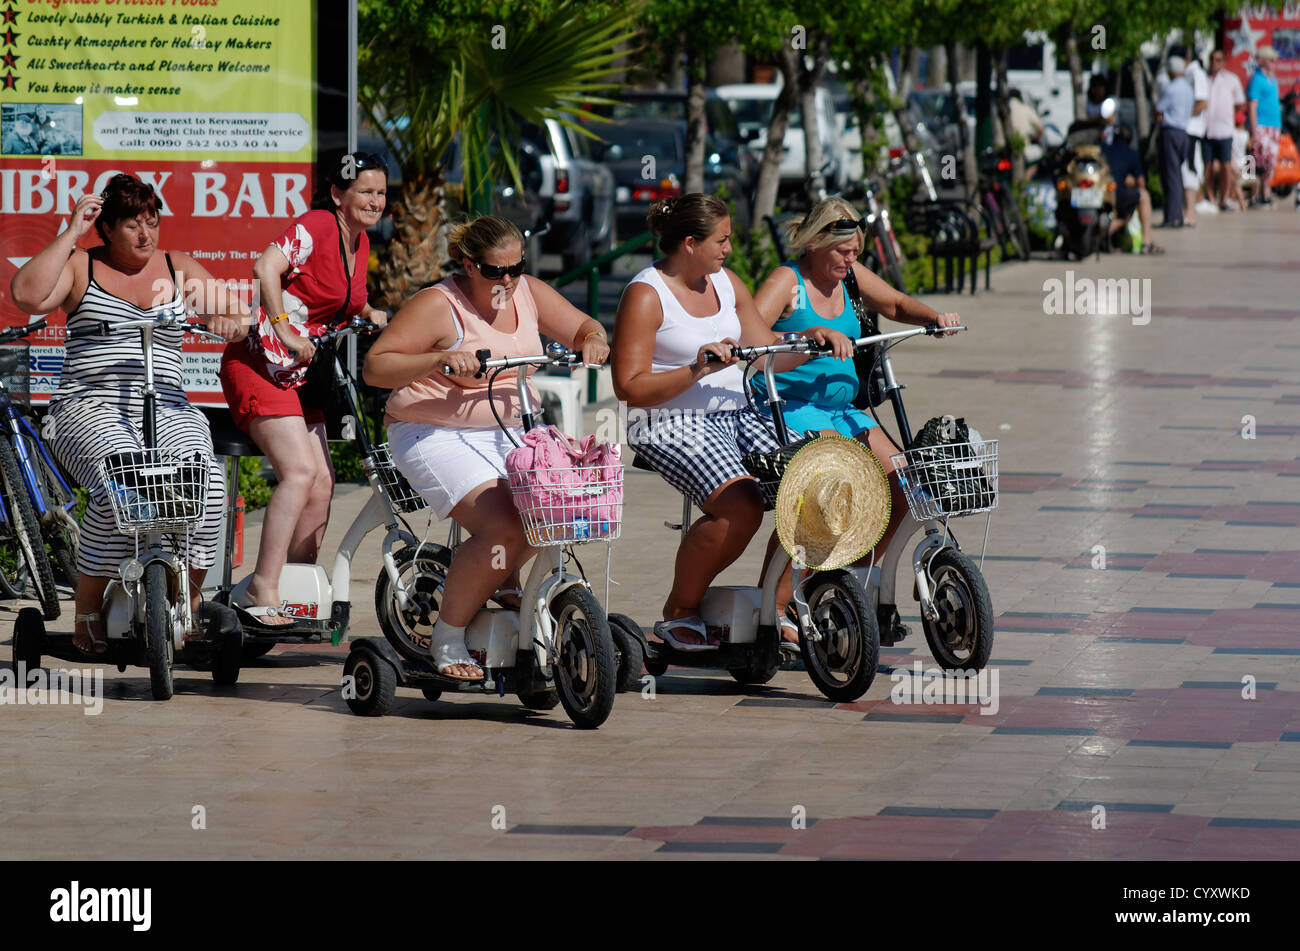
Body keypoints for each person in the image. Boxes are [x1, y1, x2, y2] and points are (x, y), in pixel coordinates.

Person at [9, 174, 248, 656]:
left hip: (167, 403)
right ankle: (87, 605)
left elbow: (237, 315)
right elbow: (26, 296)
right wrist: (72, 231)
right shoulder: (81, 266)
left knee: (209, 485)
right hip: (88, 406)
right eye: (133, 225)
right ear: (108, 228)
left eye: (152, 222)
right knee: (120, 482)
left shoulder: (176, 268)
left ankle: (187, 598)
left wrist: (227, 320)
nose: (146, 234)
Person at [363, 215, 610, 681]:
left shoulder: (529, 292)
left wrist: (594, 340)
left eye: (517, 266)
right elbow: (375, 368)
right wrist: (437, 358)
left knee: (552, 510)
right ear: (468, 264)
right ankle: (449, 634)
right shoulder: (439, 305)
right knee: (505, 524)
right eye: (496, 271)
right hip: (434, 431)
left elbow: (584, 327)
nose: (509, 280)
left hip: (511, 426)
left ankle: (494, 583)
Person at [611, 193, 853, 651]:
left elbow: (766, 354)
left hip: (739, 412)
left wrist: (808, 339)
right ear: (688, 243)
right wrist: (696, 368)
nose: (728, 249)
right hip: (670, 419)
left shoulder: (726, 283)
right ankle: (680, 611)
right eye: (721, 240)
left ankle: (775, 607)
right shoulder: (647, 294)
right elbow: (629, 387)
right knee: (742, 504)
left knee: (825, 485)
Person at [750, 198, 961, 642]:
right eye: (843, 251)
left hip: (843, 410)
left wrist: (933, 318)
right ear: (816, 243)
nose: (851, 260)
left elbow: (898, 304)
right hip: (790, 406)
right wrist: (808, 334)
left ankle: (850, 585)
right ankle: (777, 601)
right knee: (828, 490)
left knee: (906, 484)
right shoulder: (788, 280)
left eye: (856, 253)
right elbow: (751, 337)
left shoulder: (849, 278)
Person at [218, 152, 390, 627]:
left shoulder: (360, 242)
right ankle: (261, 588)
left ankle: (295, 587)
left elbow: (332, 297)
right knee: (297, 473)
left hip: (300, 373)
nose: (374, 201)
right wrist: (283, 328)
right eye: (364, 193)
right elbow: (265, 267)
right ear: (339, 195)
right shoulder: (317, 223)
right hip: (260, 364)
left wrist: (369, 311)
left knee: (321, 485)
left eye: (380, 192)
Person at [1104, 123, 1163, 254]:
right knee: (1143, 196)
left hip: (1102, 193)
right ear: (1131, 140)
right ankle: (1147, 242)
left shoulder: (1105, 149)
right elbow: (1141, 183)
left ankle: (1101, 237)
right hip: (1117, 195)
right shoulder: (1131, 153)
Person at [1155, 56, 1194, 227]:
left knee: (1170, 176)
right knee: (1177, 175)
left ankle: (1172, 217)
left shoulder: (1171, 89)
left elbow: (1158, 109)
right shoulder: (1187, 88)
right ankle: (1177, 214)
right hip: (1184, 133)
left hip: (1170, 133)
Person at [1204, 48, 1246, 211]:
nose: (1215, 63)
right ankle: (1211, 198)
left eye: (1218, 60)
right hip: (1207, 129)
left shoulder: (1231, 79)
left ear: (1223, 62)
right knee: (1208, 165)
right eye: (1213, 59)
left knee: (1226, 166)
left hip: (1225, 130)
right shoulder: (1205, 79)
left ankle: (1225, 198)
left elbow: (1239, 103)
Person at [1246, 45, 1283, 207]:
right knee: (1254, 159)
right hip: (1260, 125)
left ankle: (1265, 193)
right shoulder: (1256, 79)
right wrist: (1254, 129)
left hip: (1274, 125)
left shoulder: (1272, 79)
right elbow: (1252, 105)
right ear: (1264, 61)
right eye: (1272, 60)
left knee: (1269, 160)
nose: (1275, 62)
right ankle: (1253, 194)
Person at [1182, 52, 1211, 224]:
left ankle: (1191, 211)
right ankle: (1191, 209)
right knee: (1188, 168)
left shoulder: (1195, 73)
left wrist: (1182, 117)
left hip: (1191, 130)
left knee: (1190, 169)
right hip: (1189, 129)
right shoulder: (1190, 73)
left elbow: (1202, 102)